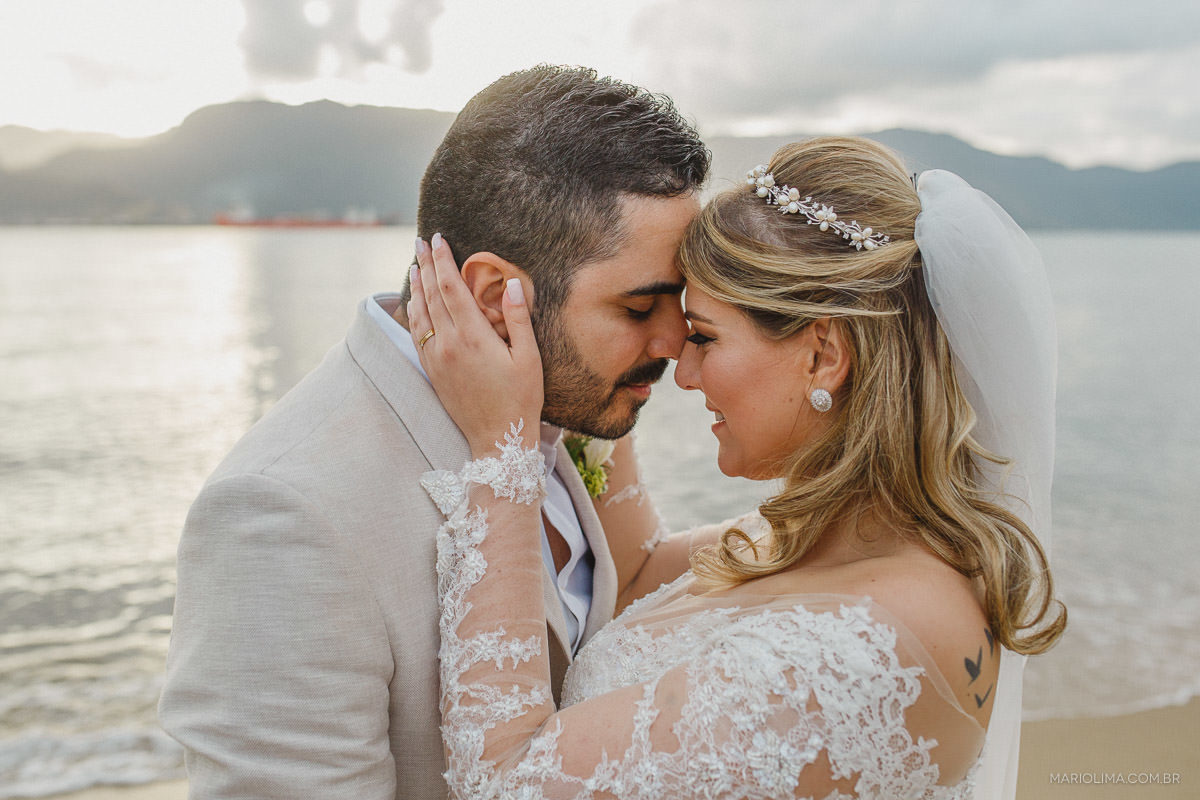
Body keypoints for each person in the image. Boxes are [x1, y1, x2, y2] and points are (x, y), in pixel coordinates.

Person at [405, 135, 1066, 799]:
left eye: (704, 336)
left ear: (823, 356)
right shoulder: (813, 537)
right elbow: (635, 574)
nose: (681, 370)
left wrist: (503, 446)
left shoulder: (885, 642)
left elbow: (505, 781)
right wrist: (595, 374)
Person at [158, 65, 709, 799]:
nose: (676, 342)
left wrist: (835, 527)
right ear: (497, 296)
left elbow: (630, 578)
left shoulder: (563, 397)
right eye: (640, 308)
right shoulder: (280, 515)